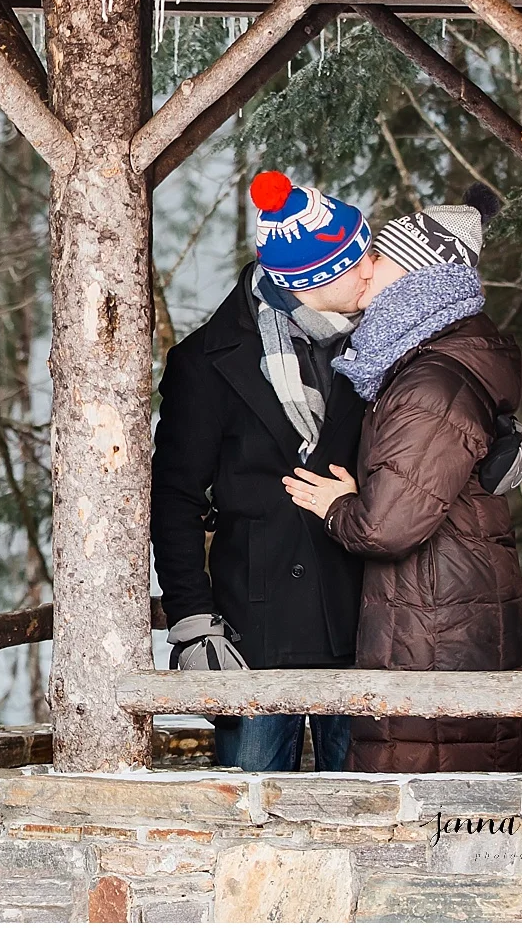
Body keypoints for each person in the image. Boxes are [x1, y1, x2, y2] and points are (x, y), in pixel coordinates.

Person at [283, 184, 522, 774]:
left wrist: (340, 506)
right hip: (437, 611)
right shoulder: (425, 363)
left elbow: (389, 526)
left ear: (423, 277)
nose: (363, 273)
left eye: (380, 259)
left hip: (435, 625)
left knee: (436, 799)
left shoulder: (429, 383)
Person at [151, 170, 373, 773]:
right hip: (253, 630)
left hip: (366, 619)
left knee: (371, 823)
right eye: (356, 262)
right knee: (249, 828)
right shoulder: (204, 362)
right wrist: (193, 622)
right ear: (311, 281)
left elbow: (430, 422)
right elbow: (173, 498)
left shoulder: (383, 342)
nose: (371, 270)